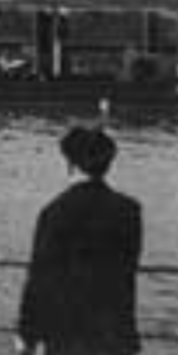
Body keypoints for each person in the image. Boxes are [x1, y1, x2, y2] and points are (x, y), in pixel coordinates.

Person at [16, 126, 142, 355]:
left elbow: (39, 278)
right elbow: (127, 274)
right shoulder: (129, 211)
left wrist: (27, 335)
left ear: (70, 164)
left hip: (66, 336)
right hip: (115, 334)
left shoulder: (55, 212)